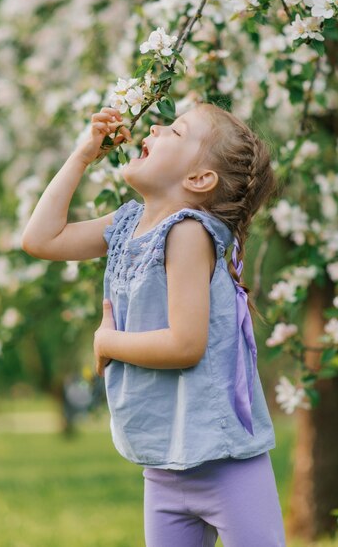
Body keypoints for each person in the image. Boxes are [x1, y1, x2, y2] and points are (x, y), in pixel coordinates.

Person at [21, 103, 287, 547]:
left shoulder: (187, 232)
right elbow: (40, 239)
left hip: (224, 460)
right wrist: (83, 155)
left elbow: (186, 344)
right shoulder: (128, 224)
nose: (158, 126)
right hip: (165, 461)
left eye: (177, 132)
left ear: (199, 180)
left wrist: (109, 341)